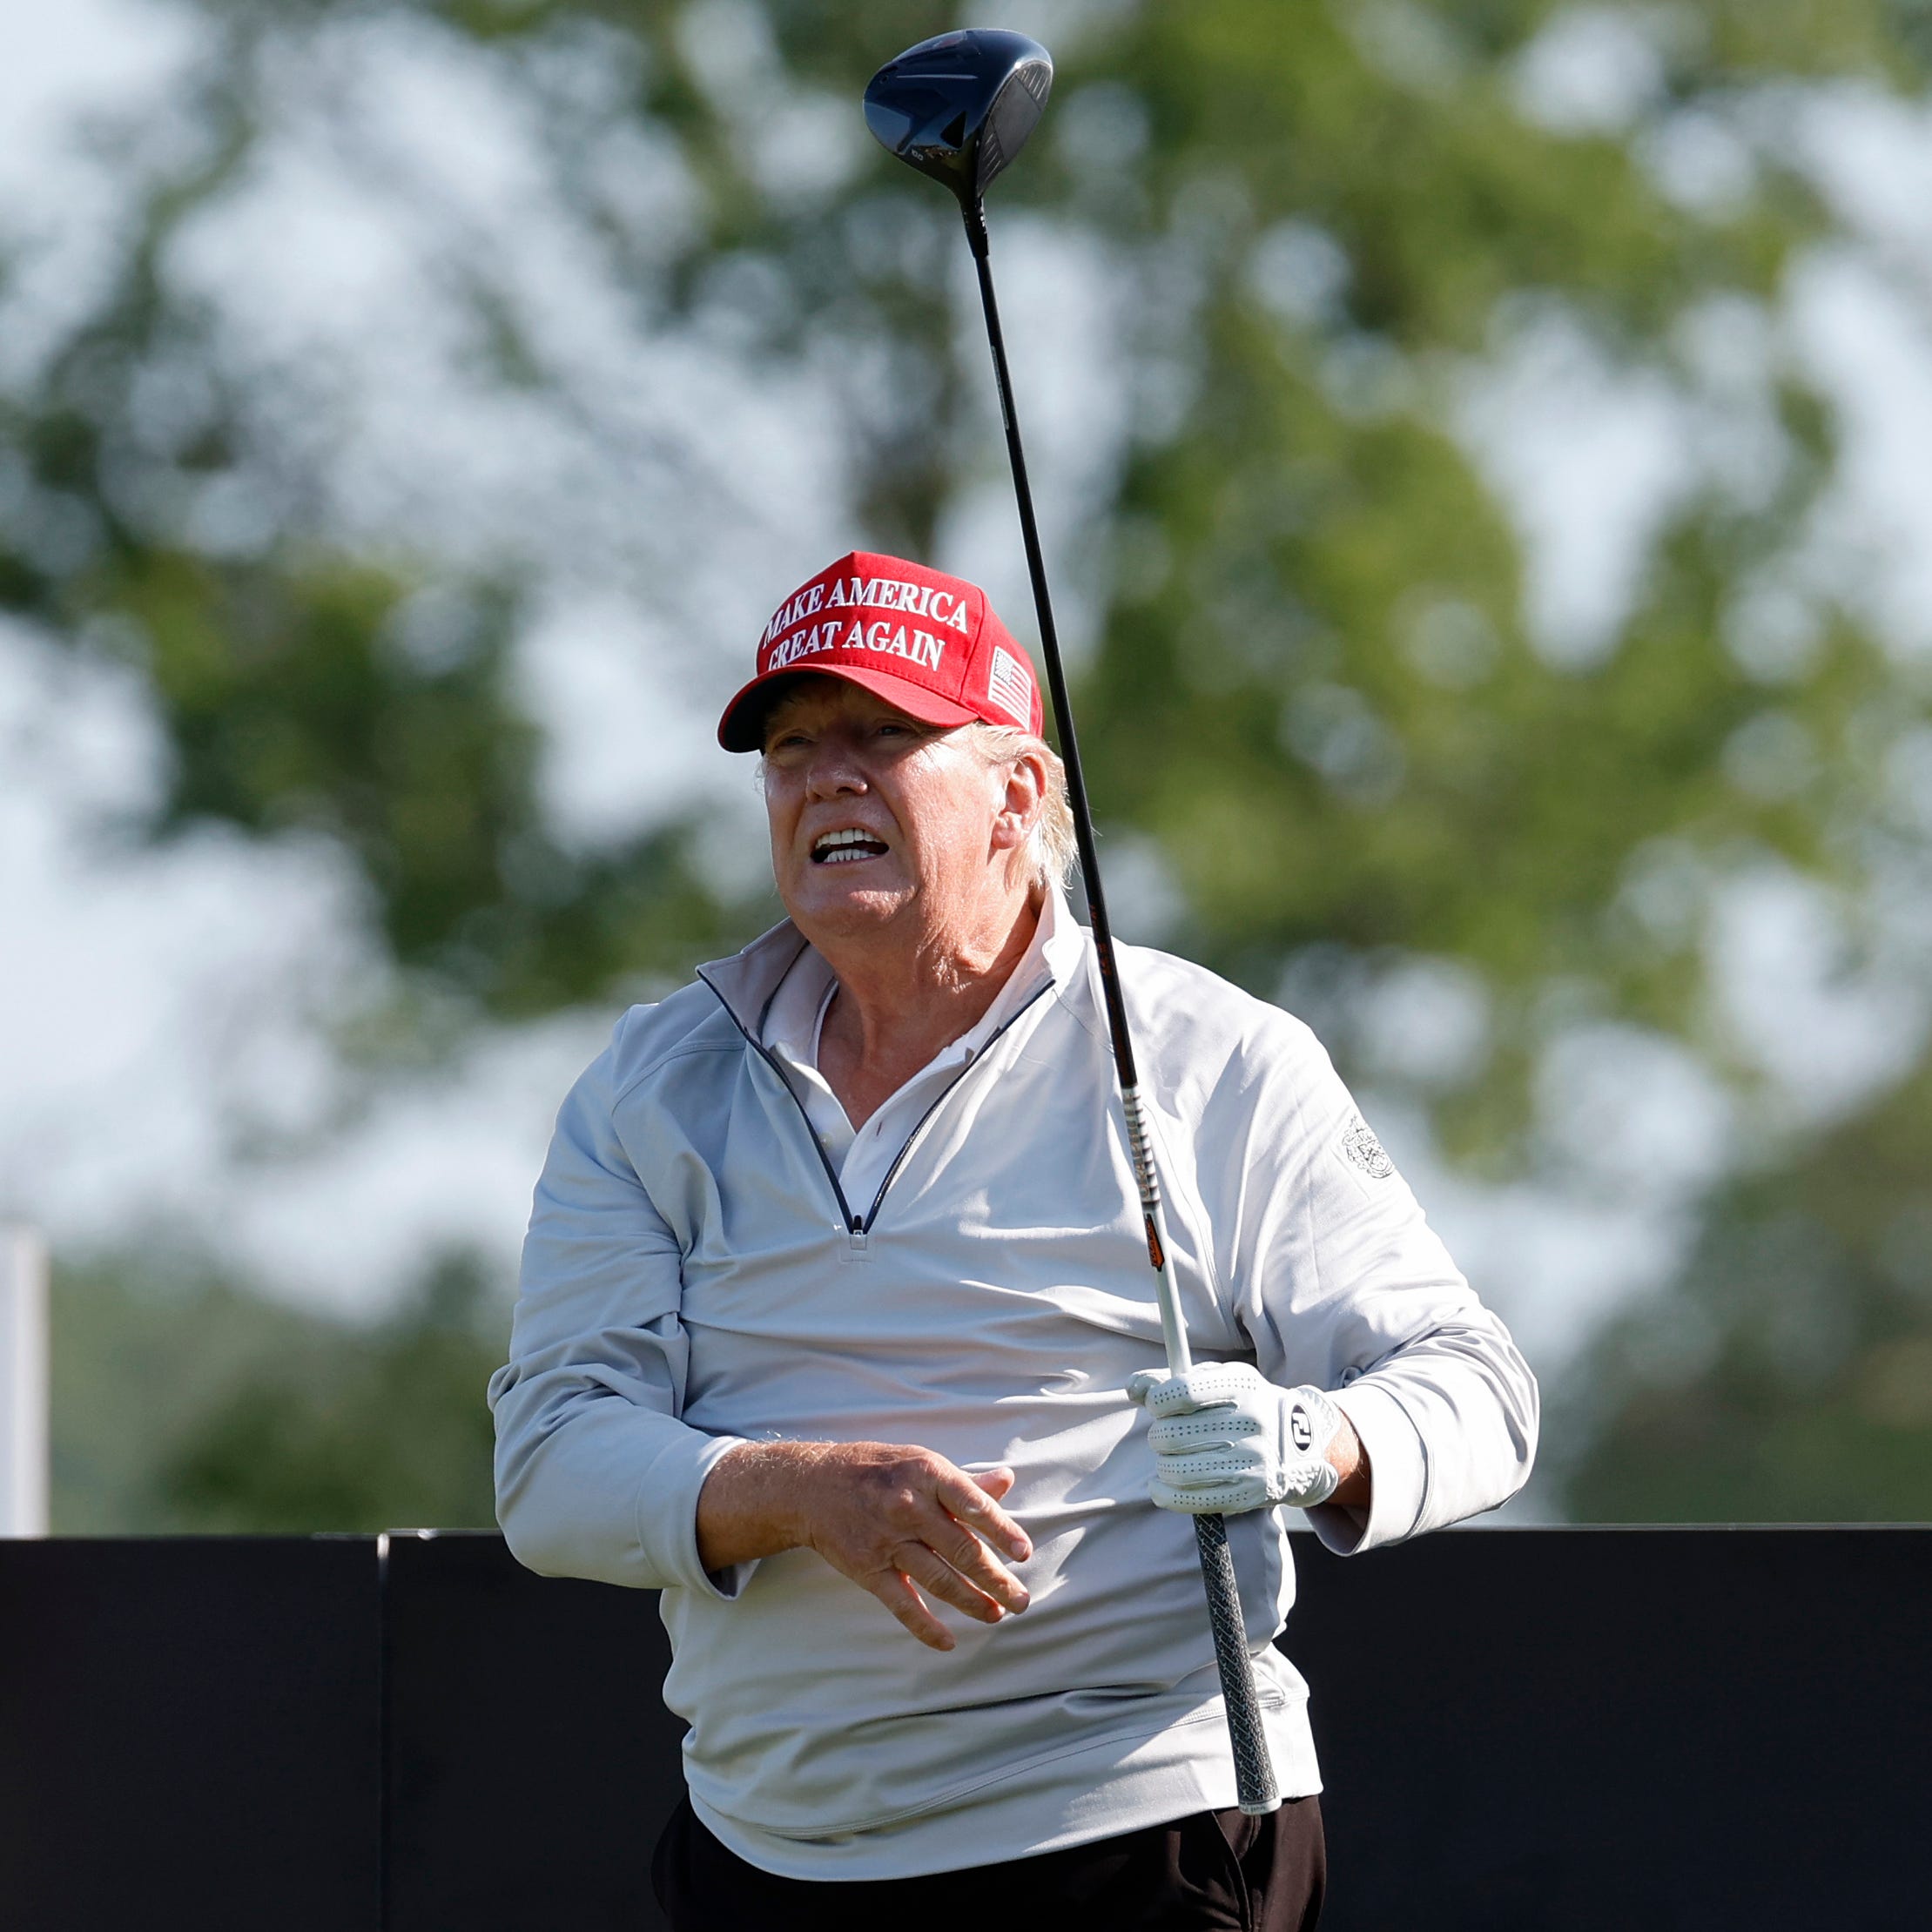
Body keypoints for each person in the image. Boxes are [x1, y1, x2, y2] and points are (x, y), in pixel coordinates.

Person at [489, 551, 1538, 1930]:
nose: (826, 779)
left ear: (1018, 795)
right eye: (793, 747)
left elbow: (1478, 1388)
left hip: (1142, 1837)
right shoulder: (649, 1083)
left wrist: (1307, 1441)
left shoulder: (1207, 1058)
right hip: (771, 1855)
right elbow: (555, 1463)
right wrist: (804, 1492)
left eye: (886, 735)